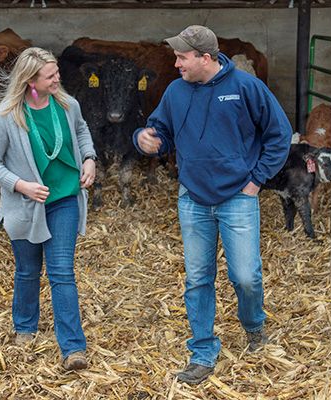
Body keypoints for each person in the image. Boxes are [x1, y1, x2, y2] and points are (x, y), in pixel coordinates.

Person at [133, 25, 291, 385]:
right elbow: (160, 130)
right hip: (193, 198)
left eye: (182, 57)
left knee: (246, 277)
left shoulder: (246, 87)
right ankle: (202, 351)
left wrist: (256, 181)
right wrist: (145, 138)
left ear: (206, 58)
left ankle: (253, 325)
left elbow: (279, 134)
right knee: (198, 278)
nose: (176, 64)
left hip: (238, 197)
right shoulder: (175, 91)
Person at [0, 47, 97, 371]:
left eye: (57, 72)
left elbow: (82, 130)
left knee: (62, 272)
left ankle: (73, 348)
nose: (58, 79)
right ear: (31, 81)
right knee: (28, 270)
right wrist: (20, 185)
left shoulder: (67, 105)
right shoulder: (6, 116)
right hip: (26, 205)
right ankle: (25, 327)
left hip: (64, 199)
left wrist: (89, 158)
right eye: (50, 76)